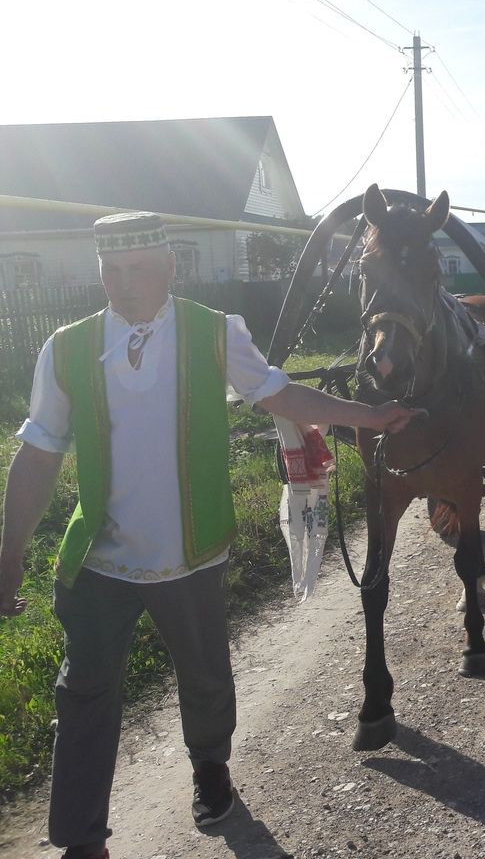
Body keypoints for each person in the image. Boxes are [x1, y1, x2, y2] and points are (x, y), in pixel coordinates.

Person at [0, 212, 416, 859]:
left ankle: (210, 770)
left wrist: (365, 415)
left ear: (170, 265)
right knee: (82, 690)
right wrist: (10, 551)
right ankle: (83, 840)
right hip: (99, 560)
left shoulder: (213, 332)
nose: (125, 283)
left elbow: (279, 396)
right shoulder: (68, 346)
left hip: (190, 552)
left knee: (205, 677)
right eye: (112, 271)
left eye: (139, 268)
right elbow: (39, 452)